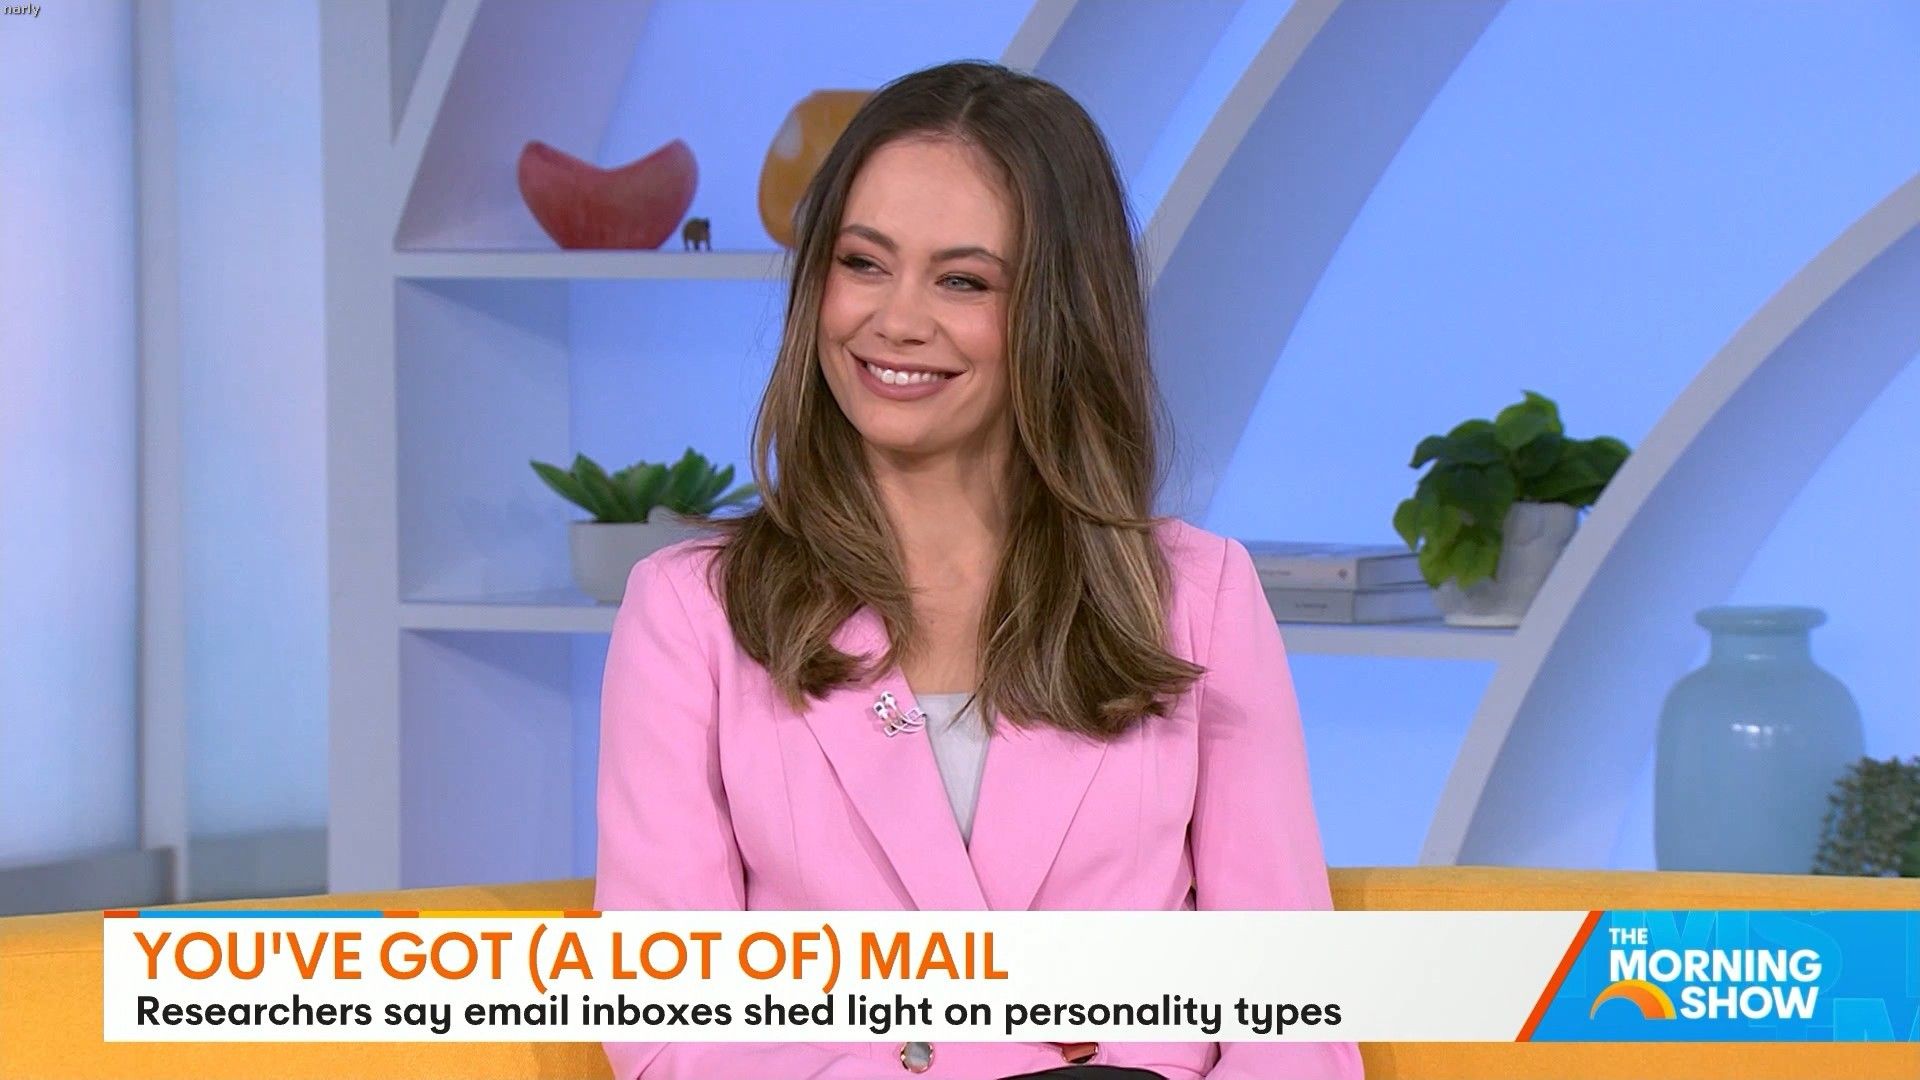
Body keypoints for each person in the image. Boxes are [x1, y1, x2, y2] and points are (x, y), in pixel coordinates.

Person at [595, 60, 1363, 1080]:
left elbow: (1294, 1023)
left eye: (962, 281)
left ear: (1058, 312)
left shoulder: (1198, 597)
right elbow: (668, 1027)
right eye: (863, 263)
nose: (896, 320)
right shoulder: (690, 611)